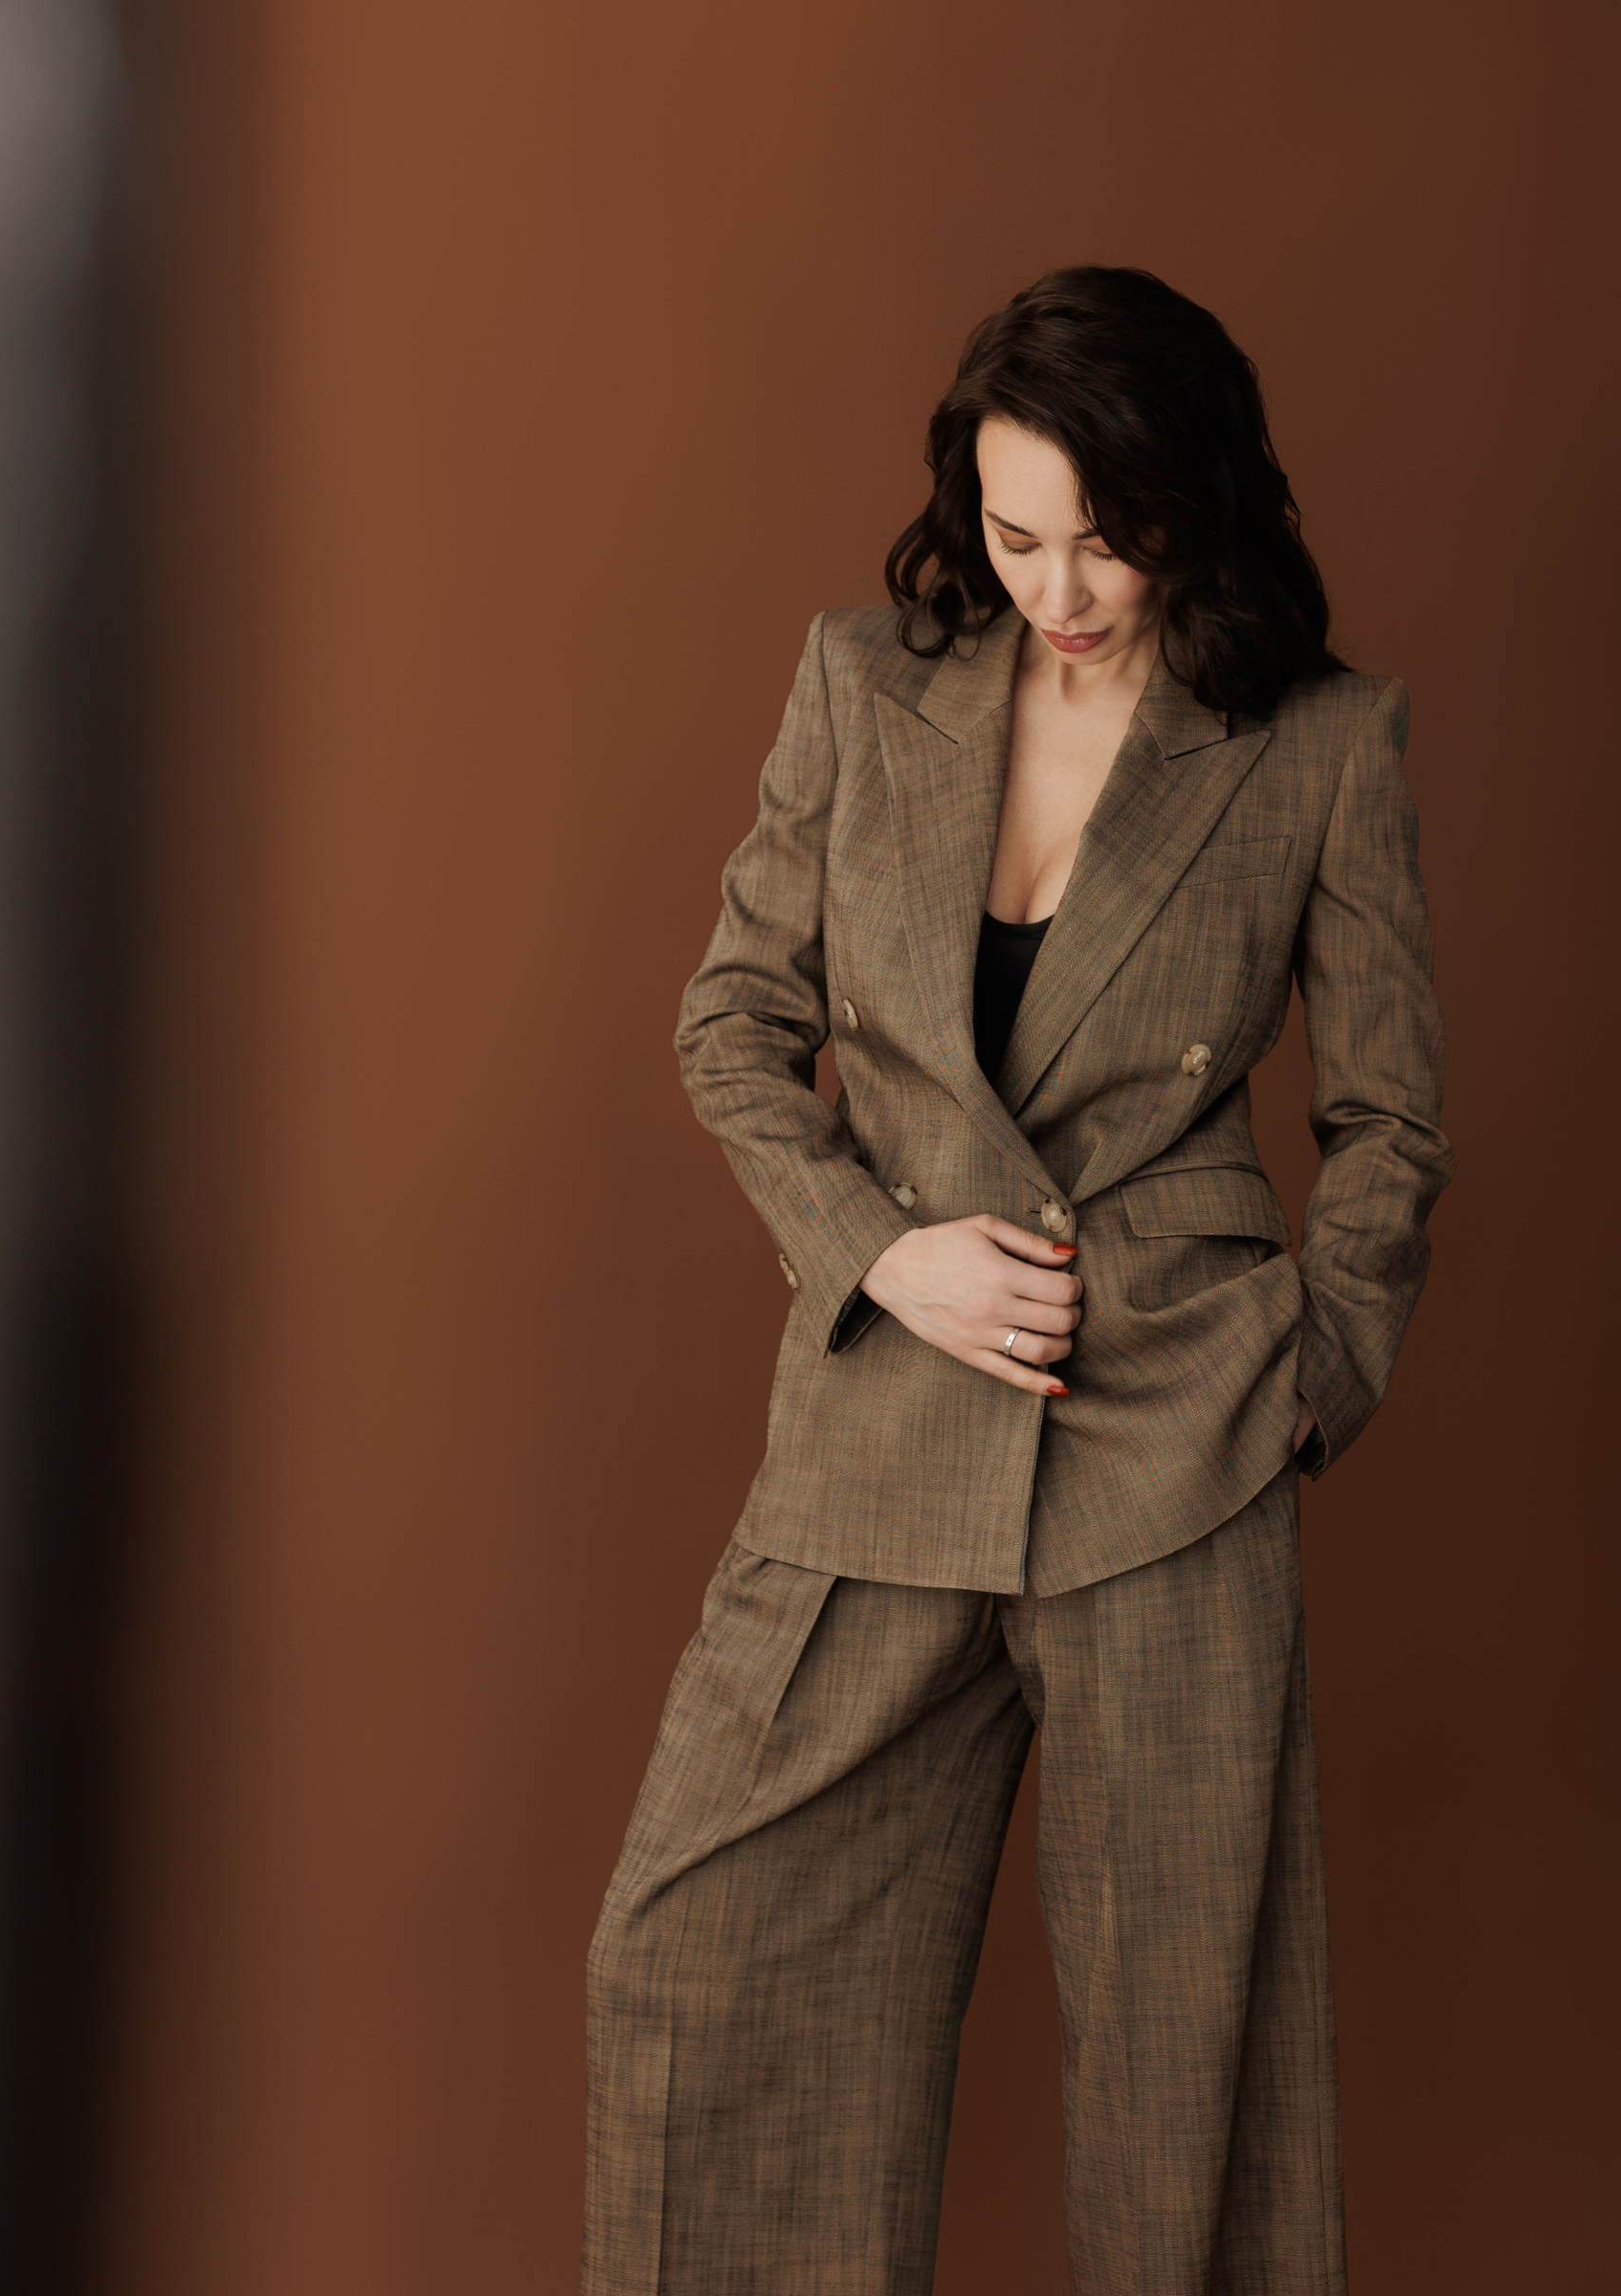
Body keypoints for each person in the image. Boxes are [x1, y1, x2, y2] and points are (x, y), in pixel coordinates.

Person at [584, 267, 1452, 2296]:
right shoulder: (860, 681)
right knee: (700, 1971)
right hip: (887, 1426)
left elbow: (1393, 1121)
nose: (1061, 588)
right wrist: (885, 1256)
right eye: (1013, 533)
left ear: (1197, 502)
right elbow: (732, 1025)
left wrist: (1309, 1373)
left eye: (1107, 537)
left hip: (1178, 1440)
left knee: (1192, 2067)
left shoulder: (1320, 744)